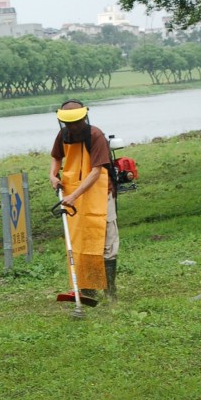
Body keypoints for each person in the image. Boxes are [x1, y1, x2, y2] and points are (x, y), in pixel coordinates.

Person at [48, 100, 119, 300]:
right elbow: (56, 157)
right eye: (69, 124)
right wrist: (53, 176)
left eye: (76, 123)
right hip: (73, 196)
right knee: (81, 240)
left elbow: (96, 171)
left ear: (84, 118)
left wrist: (73, 195)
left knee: (106, 240)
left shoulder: (95, 135)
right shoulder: (63, 135)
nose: (73, 128)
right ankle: (88, 289)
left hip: (99, 194)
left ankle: (109, 291)